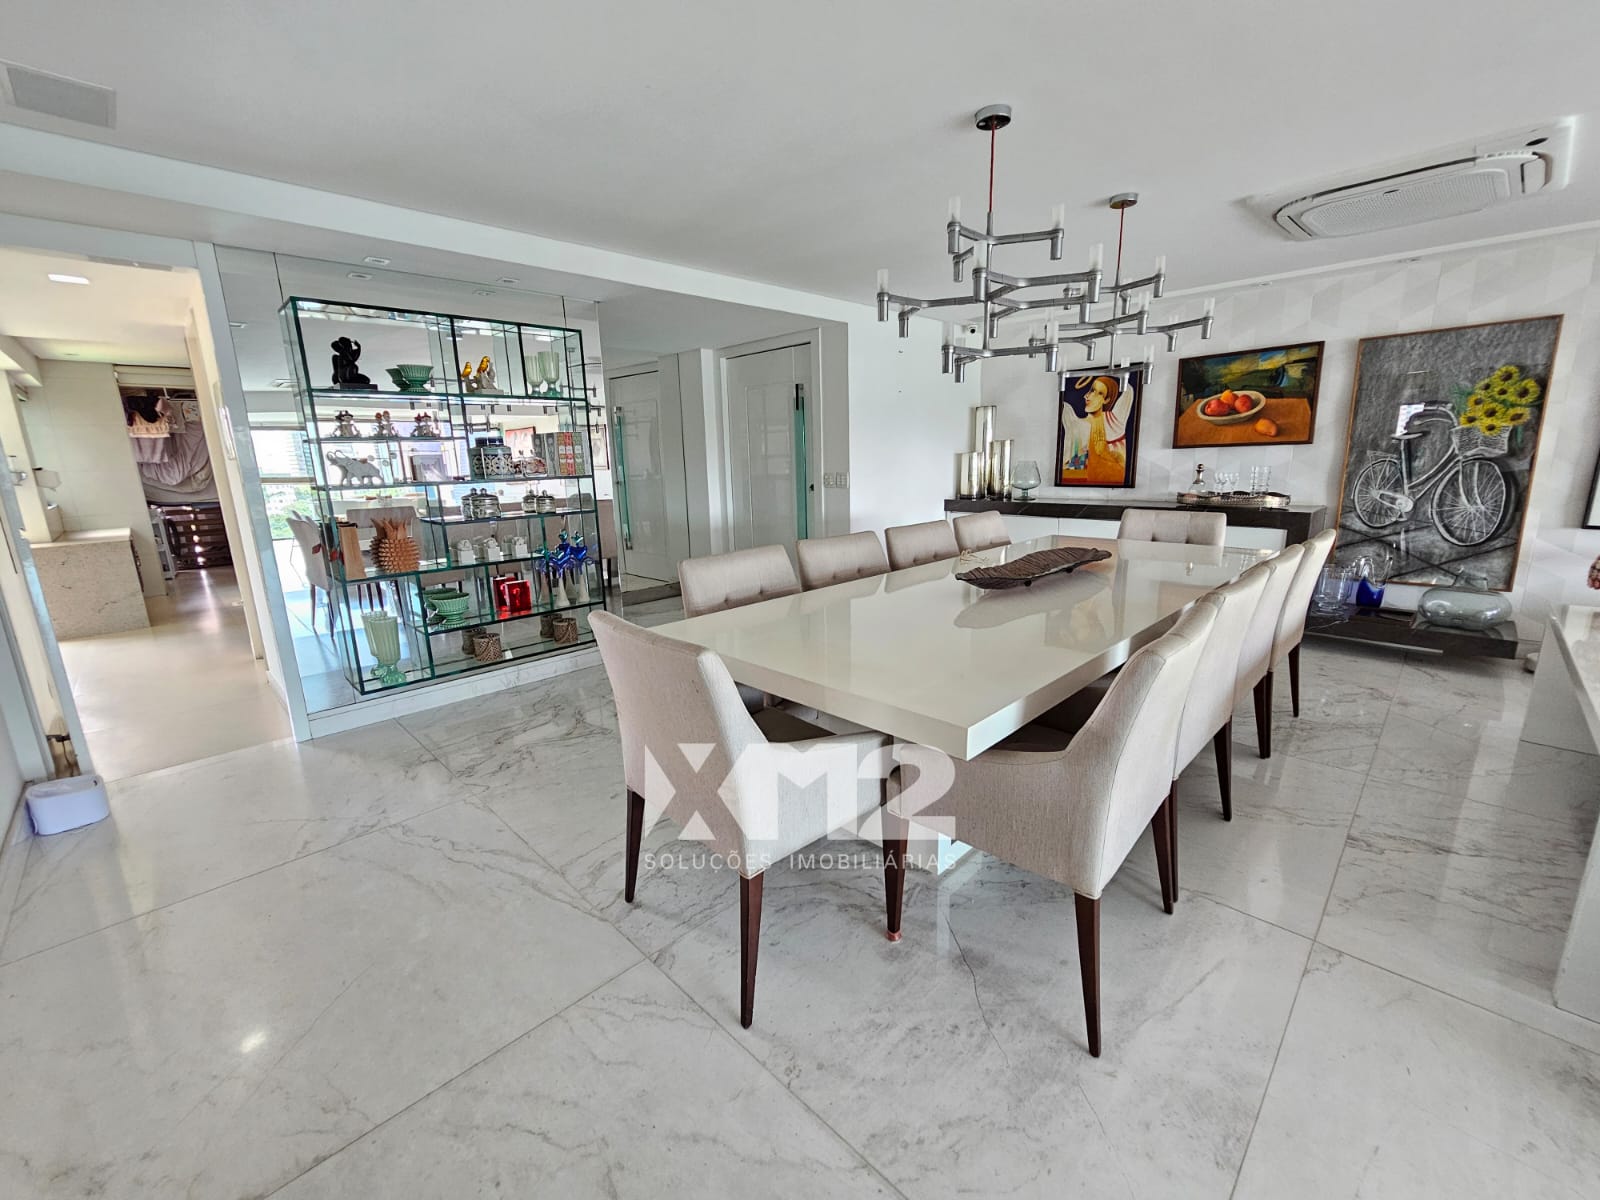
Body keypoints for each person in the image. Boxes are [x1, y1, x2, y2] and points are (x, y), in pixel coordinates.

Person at [1060, 374, 1128, 485]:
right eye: (1091, 390)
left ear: (1106, 400)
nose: (1089, 396)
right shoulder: (1076, 424)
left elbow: (1129, 391)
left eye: (1099, 393)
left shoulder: (1114, 422)